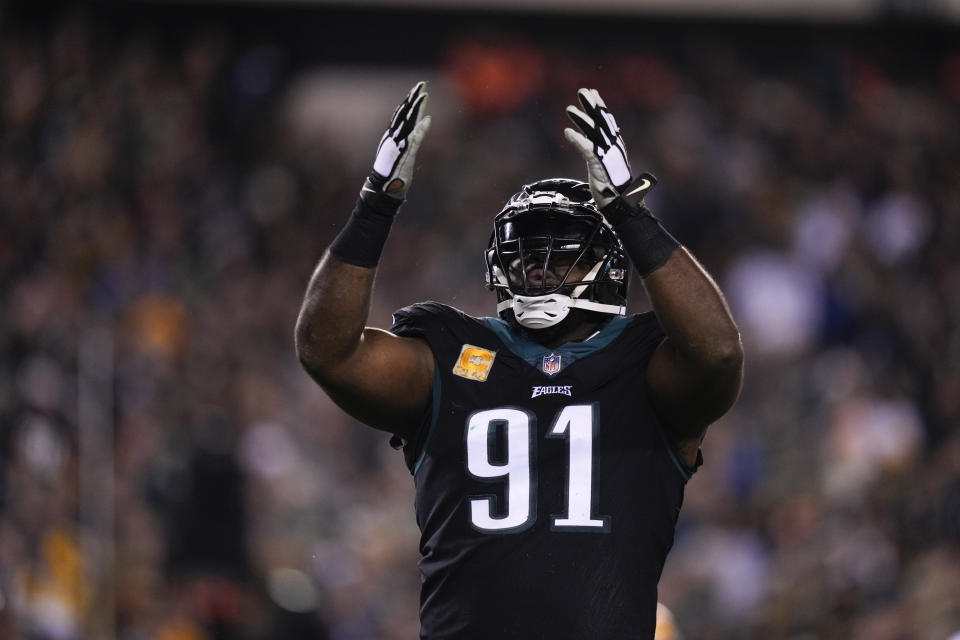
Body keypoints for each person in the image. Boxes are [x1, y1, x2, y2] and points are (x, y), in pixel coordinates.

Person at [295, 81, 744, 639]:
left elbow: (719, 353)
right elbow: (327, 350)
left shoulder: (645, 361)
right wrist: (375, 204)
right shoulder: (450, 353)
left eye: (559, 248)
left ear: (607, 262)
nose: (537, 266)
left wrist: (630, 213)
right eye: (528, 251)